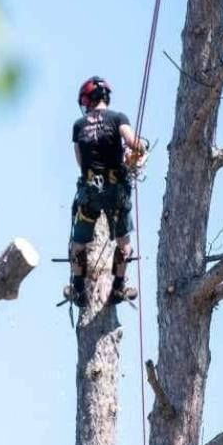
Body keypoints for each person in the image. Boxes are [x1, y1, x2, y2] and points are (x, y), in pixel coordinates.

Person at [66, 76, 147, 309]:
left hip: (90, 192)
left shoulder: (79, 125)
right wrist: (140, 149)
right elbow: (133, 143)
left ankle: (79, 290)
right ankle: (119, 287)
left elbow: (80, 162)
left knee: (78, 244)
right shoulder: (118, 118)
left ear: (89, 100)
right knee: (124, 244)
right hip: (116, 192)